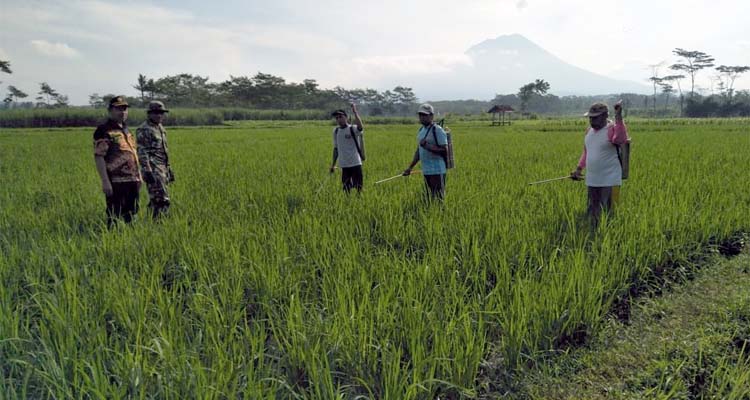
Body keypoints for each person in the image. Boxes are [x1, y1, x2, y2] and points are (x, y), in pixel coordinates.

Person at [571, 100, 629, 226]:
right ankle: (592, 234)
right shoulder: (589, 132)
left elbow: (621, 139)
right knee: (593, 212)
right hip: (592, 179)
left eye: (595, 118)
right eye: (590, 118)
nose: (591, 121)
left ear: (605, 116)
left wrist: (618, 117)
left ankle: (609, 238)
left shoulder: (612, 129)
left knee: (609, 214)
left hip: (610, 179)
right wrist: (578, 169)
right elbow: (586, 152)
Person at [93, 96, 141, 226]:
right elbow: (99, 156)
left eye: (125, 109)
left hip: (133, 180)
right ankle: (113, 241)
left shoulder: (126, 130)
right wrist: (105, 181)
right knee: (115, 216)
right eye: (118, 109)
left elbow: (133, 154)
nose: (123, 112)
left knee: (132, 214)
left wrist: (139, 176)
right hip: (116, 181)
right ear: (110, 110)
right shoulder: (104, 130)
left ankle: (130, 240)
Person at [136, 101, 174, 219]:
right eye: (156, 113)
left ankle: (154, 223)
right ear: (149, 114)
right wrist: (147, 171)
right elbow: (142, 151)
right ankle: (159, 223)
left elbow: (163, 150)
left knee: (158, 197)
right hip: (153, 168)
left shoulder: (160, 128)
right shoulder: (144, 129)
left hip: (162, 167)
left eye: (161, 113)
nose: (159, 115)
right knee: (161, 198)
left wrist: (168, 168)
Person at [403, 103, 448, 200]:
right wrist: (410, 168)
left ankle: (440, 214)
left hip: (437, 170)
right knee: (429, 198)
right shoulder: (421, 130)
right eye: (420, 115)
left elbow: (444, 150)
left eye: (425, 115)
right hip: (426, 170)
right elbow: (419, 151)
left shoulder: (438, 130)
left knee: (439, 198)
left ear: (432, 116)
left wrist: (427, 146)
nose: (422, 117)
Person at [329, 103, 365, 193]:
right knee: (346, 188)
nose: (338, 119)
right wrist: (333, 165)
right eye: (336, 118)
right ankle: (348, 204)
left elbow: (360, 127)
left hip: (355, 163)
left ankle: (359, 203)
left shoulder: (352, 128)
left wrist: (355, 112)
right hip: (344, 165)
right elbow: (336, 149)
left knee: (358, 188)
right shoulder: (336, 131)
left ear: (346, 117)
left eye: (340, 117)